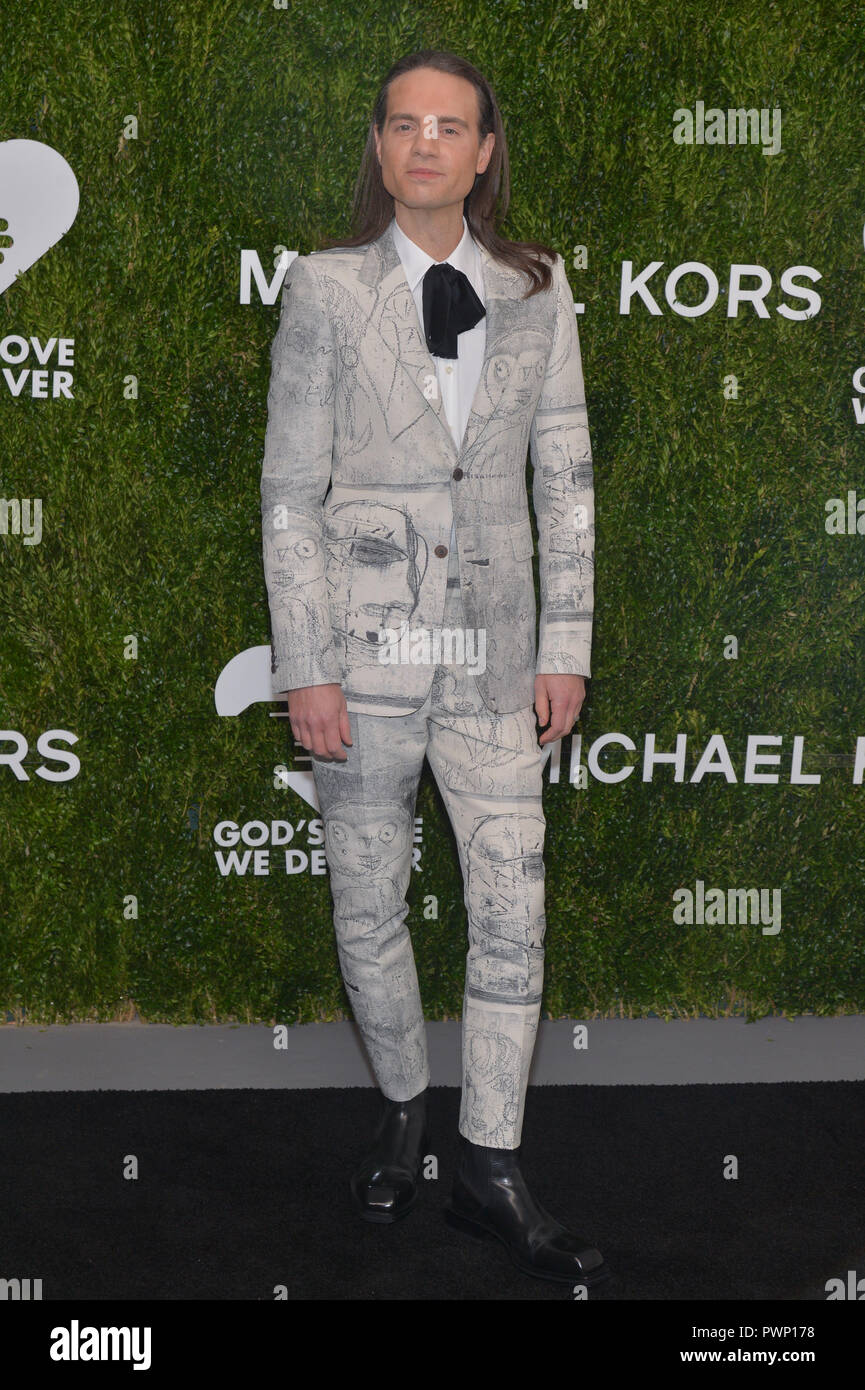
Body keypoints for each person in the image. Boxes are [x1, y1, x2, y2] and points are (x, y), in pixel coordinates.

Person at [260, 48, 606, 1286]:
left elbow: (561, 478)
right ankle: (404, 1105)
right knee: (368, 910)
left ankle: (490, 1164)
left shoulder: (537, 287)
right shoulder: (321, 288)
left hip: (496, 663)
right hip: (362, 660)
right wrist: (306, 664)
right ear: (380, 145)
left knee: (514, 914)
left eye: (447, 126)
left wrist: (564, 642)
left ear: (483, 151)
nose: (423, 145)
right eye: (402, 125)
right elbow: (291, 494)